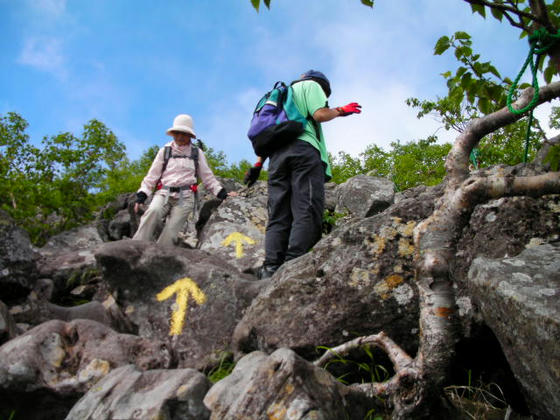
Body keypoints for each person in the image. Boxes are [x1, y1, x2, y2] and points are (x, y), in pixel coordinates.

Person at [244, 70, 361, 279]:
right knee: (307, 207)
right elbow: (319, 115)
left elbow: (269, 137)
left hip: (277, 158)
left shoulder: (280, 95)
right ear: (322, 86)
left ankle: (270, 269)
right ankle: (293, 265)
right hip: (303, 152)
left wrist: (257, 165)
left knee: (278, 213)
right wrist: (341, 110)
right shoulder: (311, 87)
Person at [133, 114, 236, 247]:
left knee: (171, 231)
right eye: (177, 133)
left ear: (189, 135)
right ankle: (135, 248)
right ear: (173, 134)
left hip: (185, 197)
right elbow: (152, 176)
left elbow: (207, 177)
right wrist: (141, 196)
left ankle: (159, 256)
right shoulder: (164, 151)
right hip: (164, 193)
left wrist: (223, 194)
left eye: (184, 133)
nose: (180, 137)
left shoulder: (196, 153)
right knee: (152, 212)